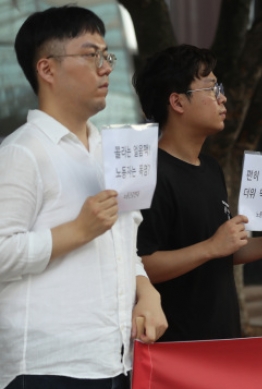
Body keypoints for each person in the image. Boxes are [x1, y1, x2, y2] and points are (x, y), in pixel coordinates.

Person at [0, 6, 167, 388]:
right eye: (91, 55)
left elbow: (125, 247)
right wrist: (78, 230)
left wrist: (147, 292)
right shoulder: (21, 152)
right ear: (47, 69)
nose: (106, 67)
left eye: (107, 55)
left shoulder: (110, 150)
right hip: (47, 367)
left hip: (115, 360)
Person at [132, 45, 262, 342]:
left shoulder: (210, 167)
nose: (222, 98)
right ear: (177, 102)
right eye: (211, 88)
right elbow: (139, 264)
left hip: (221, 339)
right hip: (176, 347)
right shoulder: (150, 174)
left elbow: (223, 251)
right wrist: (212, 246)